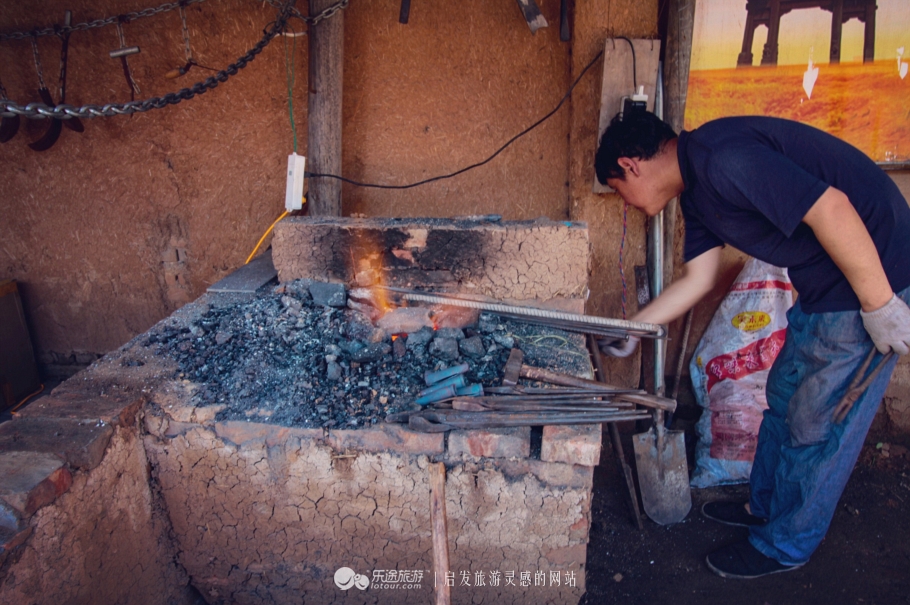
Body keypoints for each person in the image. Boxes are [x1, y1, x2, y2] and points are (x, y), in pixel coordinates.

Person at [594, 111, 910, 579]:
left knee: (817, 425)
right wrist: (634, 329)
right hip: (825, 285)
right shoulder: (697, 190)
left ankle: (785, 545)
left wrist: (880, 304)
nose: (627, 204)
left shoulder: (722, 160)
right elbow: (697, 280)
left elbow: (832, 208)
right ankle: (766, 510)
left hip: (869, 277)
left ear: (631, 165)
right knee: (783, 400)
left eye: (619, 190)